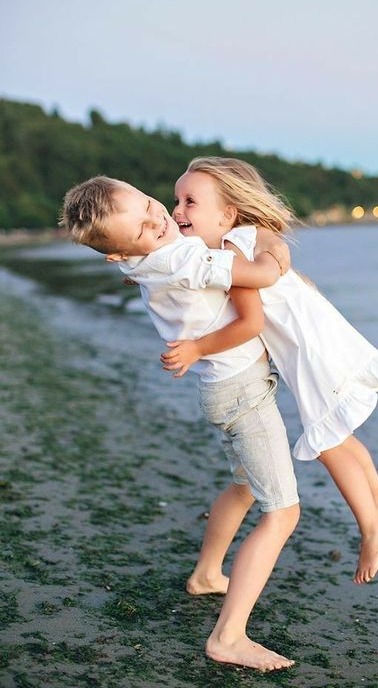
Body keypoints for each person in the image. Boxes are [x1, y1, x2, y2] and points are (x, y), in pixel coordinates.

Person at [59, 175, 300, 672]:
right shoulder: (184, 258)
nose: (160, 220)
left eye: (151, 206)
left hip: (220, 393)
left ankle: (208, 573)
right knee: (283, 512)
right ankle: (229, 636)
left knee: (243, 486)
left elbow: (145, 255)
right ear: (120, 252)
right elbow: (258, 277)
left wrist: (141, 253)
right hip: (243, 393)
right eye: (146, 227)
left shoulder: (142, 257)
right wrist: (273, 247)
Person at [162, 156, 378, 586]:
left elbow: (251, 319)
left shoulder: (234, 253)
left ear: (227, 213)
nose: (177, 210)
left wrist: (198, 347)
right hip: (317, 340)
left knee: (327, 438)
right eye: (176, 200)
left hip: (310, 349)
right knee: (337, 430)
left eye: (189, 202)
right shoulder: (235, 244)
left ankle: (371, 526)